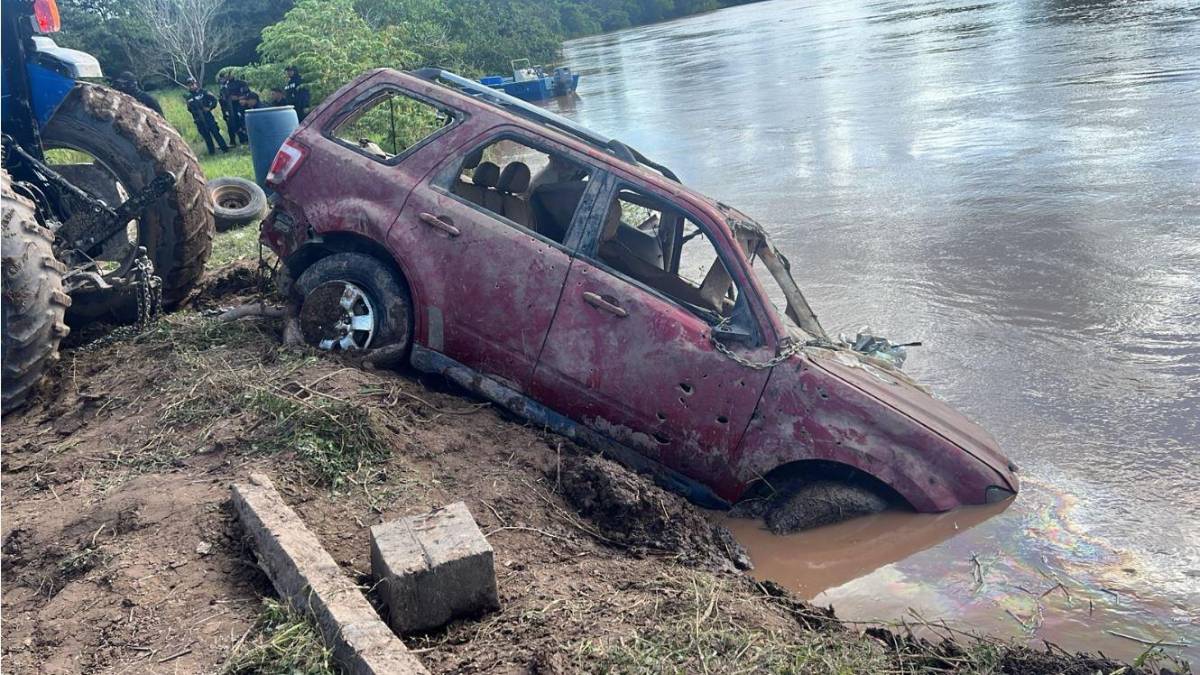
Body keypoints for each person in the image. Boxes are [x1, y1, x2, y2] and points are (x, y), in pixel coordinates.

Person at [184, 78, 228, 155]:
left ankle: (224, 149)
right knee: (206, 136)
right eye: (189, 85)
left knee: (215, 132)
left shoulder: (203, 92)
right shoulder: (189, 98)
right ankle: (212, 152)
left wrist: (209, 108)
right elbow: (189, 109)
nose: (191, 86)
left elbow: (214, 100)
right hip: (198, 119)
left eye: (193, 84)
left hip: (208, 116)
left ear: (196, 84)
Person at [217, 71, 249, 147]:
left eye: (228, 74)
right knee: (231, 124)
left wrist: (237, 98)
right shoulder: (223, 86)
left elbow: (248, 95)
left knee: (242, 123)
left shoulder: (241, 83)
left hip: (240, 106)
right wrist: (224, 111)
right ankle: (233, 141)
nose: (227, 76)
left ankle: (245, 140)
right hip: (228, 108)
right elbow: (222, 99)